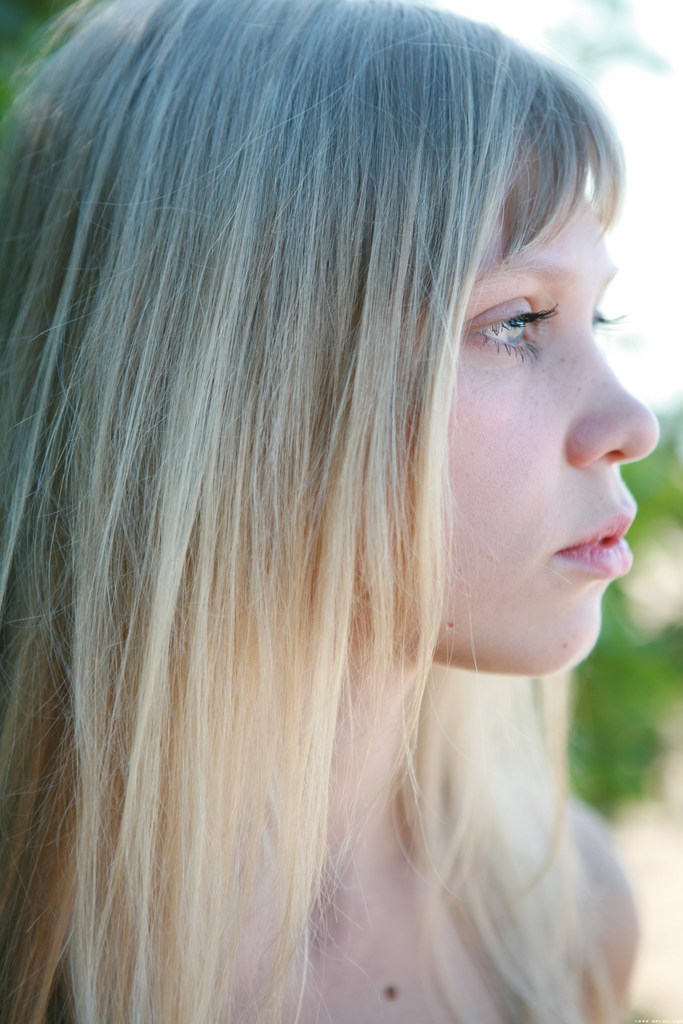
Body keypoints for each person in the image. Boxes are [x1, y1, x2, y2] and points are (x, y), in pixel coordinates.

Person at [0, 0, 659, 1020]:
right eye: (517, 320)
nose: (629, 425)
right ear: (236, 378)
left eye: (597, 315)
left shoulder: (563, 920)